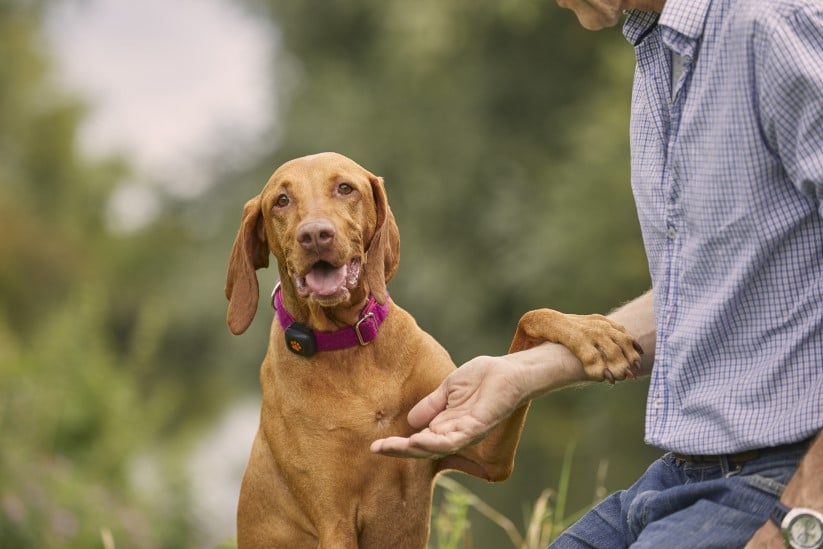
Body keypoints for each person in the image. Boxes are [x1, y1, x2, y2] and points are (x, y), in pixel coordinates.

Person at [371, 0, 823, 547]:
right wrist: (525, 372)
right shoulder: (661, 51)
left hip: (787, 475)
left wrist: (804, 516)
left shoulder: (777, 24)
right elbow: (706, 288)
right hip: (688, 473)